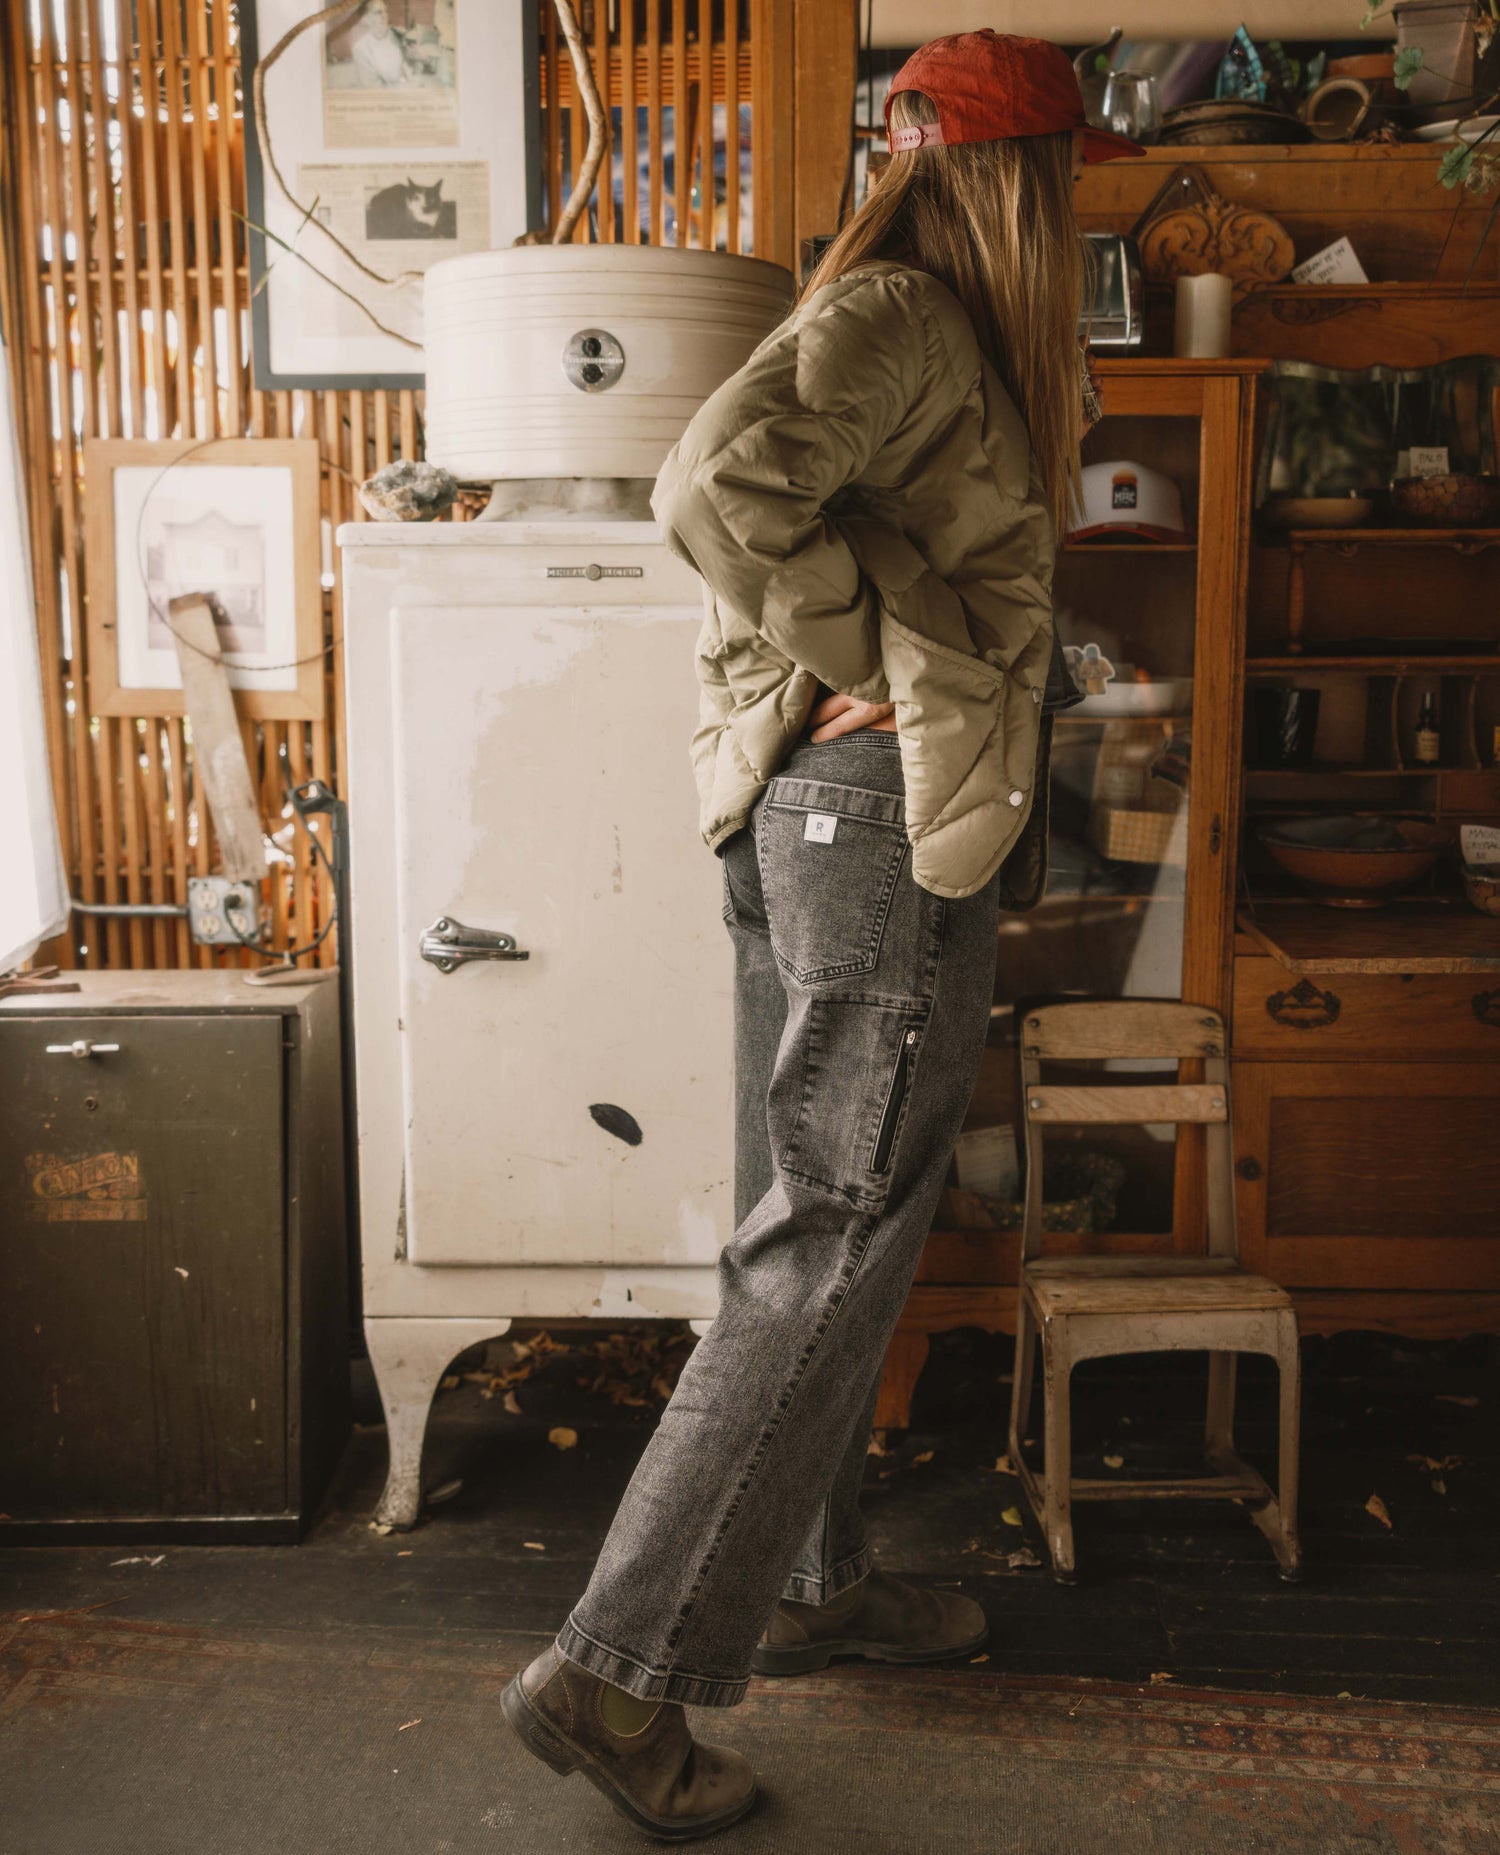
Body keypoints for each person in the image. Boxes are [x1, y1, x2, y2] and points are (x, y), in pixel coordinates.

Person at [503, 30, 1142, 1841]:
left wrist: (882, 654)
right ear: (1025, 180)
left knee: (820, 1226)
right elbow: (713, 492)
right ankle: (614, 1681)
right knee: (831, 1234)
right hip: (865, 832)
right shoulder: (911, 315)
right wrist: (896, 661)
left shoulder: (905, 322)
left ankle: (809, 1585)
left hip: (815, 821)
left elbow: (798, 530)